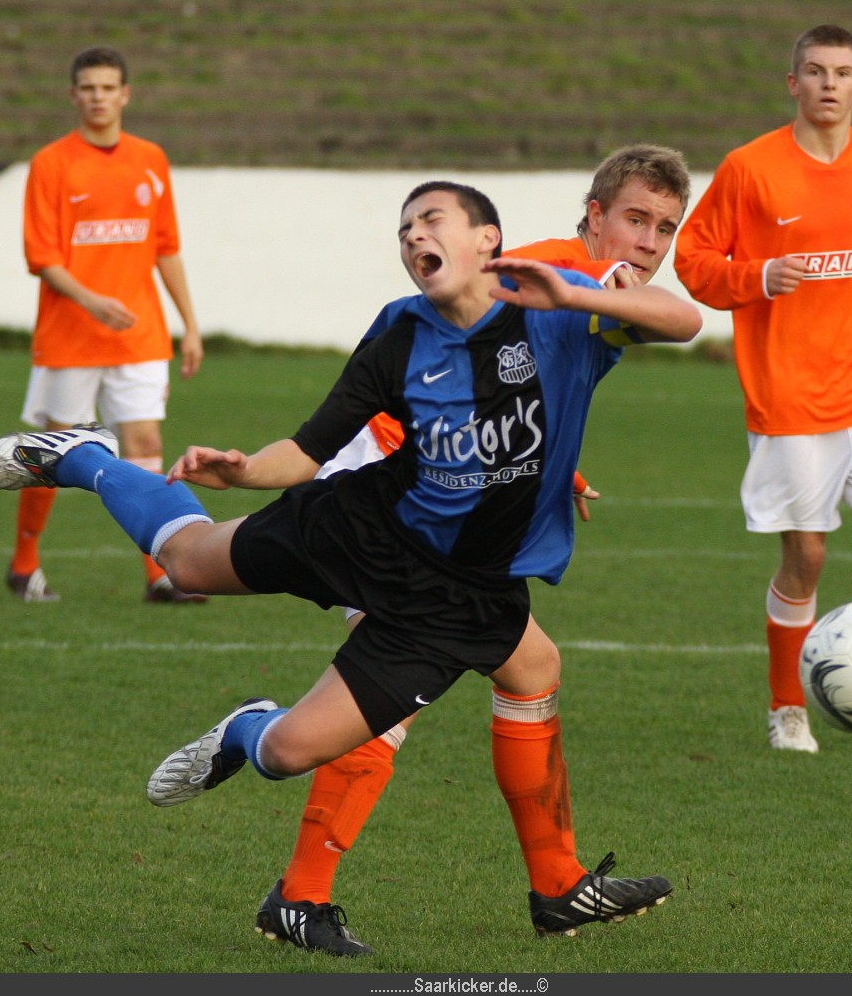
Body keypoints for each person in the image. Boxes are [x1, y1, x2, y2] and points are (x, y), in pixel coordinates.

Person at [0, 181, 702, 954]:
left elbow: (683, 321)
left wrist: (573, 313)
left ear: (488, 239)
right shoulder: (401, 330)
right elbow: (311, 446)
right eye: (407, 225)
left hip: (459, 593)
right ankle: (82, 456)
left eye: (433, 219)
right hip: (361, 522)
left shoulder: (564, 303)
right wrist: (243, 468)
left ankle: (253, 736)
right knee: (186, 562)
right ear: (591, 216)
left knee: (298, 748)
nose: (416, 234)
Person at [270, 144, 693, 954]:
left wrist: (545, 471)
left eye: (664, 229)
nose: (646, 244)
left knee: (530, 668)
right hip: (403, 479)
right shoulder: (581, 280)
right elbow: (681, 321)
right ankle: (300, 895)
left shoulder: (551, 273)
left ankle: (557, 885)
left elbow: (513, 391)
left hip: (443, 468)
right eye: (634, 220)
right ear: (594, 216)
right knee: (383, 684)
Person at [673, 24, 852, 753]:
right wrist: (755, 278)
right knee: (805, 558)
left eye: (841, 72)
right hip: (788, 402)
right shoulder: (749, 169)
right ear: (791, 83)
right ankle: (786, 706)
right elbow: (694, 261)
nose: (827, 83)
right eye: (813, 71)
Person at [8, 45, 206, 604]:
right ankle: (24, 563)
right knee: (54, 451)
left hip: (140, 335)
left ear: (126, 94)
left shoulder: (150, 158)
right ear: (73, 95)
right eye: (87, 88)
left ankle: (158, 574)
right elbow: (41, 256)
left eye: (107, 87)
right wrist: (92, 300)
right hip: (70, 338)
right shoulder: (52, 163)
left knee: (143, 443)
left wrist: (189, 325)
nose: (98, 97)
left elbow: (166, 248)